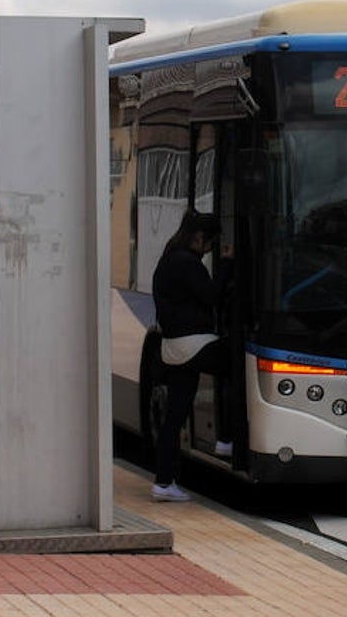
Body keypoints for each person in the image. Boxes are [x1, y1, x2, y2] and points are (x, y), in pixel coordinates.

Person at [150, 209, 233, 502]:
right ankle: (226, 439)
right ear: (199, 237)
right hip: (195, 343)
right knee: (237, 363)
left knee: (175, 415)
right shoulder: (187, 263)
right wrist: (226, 265)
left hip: (173, 348)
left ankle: (163, 483)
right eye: (209, 244)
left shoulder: (168, 259)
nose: (209, 249)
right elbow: (212, 296)